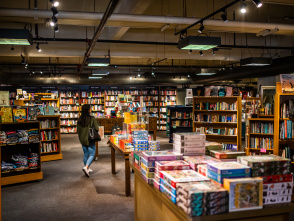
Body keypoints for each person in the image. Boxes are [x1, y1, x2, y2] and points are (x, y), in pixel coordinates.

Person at [77, 104, 99, 177]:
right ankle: (86, 167)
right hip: (90, 138)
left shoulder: (79, 119)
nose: (91, 109)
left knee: (86, 154)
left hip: (82, 139)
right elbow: (97, 128)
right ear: (88, 110)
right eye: (90, 108)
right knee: (92, 154)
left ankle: (87, 168)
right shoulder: (92, 118)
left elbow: (78, 130)